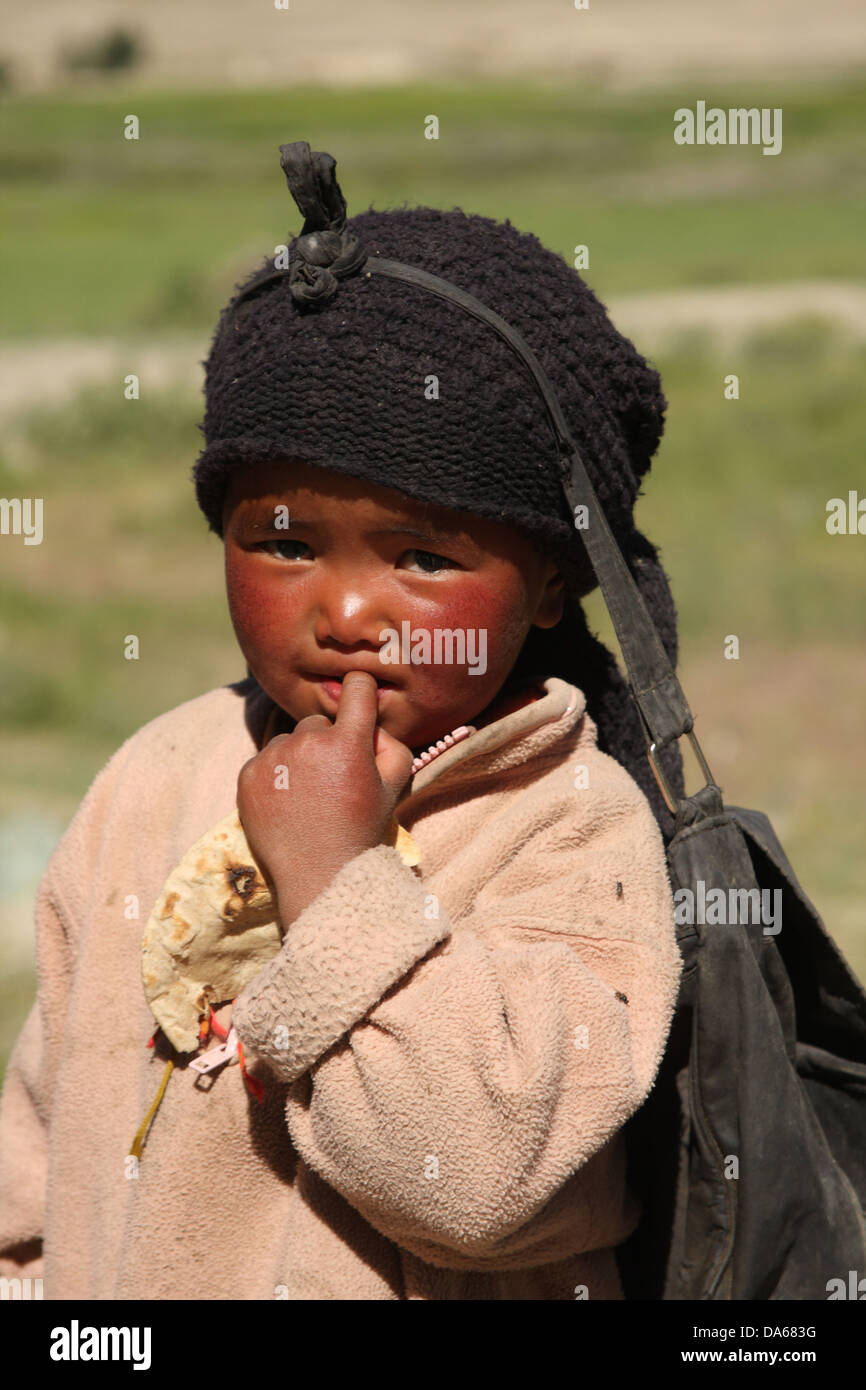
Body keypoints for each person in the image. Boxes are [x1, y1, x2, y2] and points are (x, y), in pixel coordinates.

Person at [0, 143, 686, 1300]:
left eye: (423, 556)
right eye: (283, 542)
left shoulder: (566, 825)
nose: (347, 613)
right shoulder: (160, 773)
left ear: (555, 581)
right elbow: (43, 1140)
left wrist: (334, 878)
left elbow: (480, 1179)